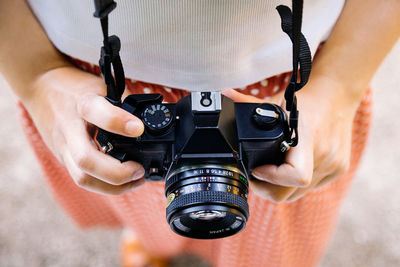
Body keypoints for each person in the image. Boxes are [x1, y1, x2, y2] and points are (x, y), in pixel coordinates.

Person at [0, 0, 399, 266]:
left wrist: (339, 83)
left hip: (292, 84)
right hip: (105, 84)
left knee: (278, 226)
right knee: (132, 195)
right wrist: (38, 74)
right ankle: (152, 241)